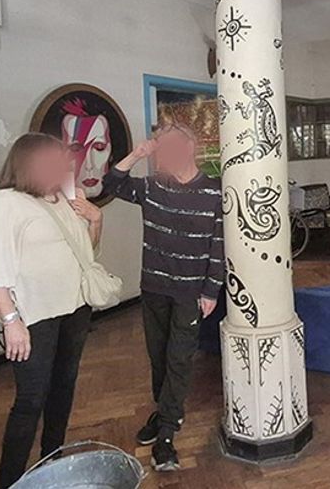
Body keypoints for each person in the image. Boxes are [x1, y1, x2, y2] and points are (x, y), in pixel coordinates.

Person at [0, 133, 103, 489]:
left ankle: (53, 464)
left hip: (75, 309)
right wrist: (11, 321)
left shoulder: (62, 198)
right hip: (33, 317)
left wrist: (95, 220)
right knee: (31, 399)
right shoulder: (5, 203)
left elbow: (86, 254)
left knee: (63, 389)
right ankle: (11, 481)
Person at [102, 123, 223, 472]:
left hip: (190, 292)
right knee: (158, 357)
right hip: (154, 287)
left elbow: (219, 244)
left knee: (179, 360)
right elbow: (111, 185)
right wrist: (137, 154)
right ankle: (163, 411)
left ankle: (167, 435)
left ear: (190, 147)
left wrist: (211, 289)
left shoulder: (214, 191)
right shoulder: (153, 187)